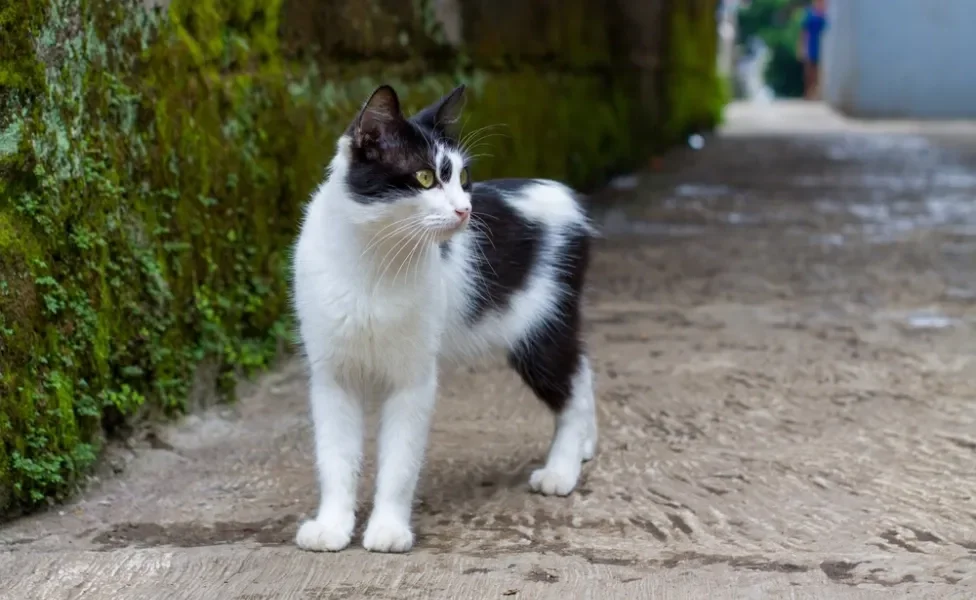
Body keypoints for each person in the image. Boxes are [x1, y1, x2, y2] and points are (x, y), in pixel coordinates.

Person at [798, 0, 827, 100]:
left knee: (819, 72)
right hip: (810, 46)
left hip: (822, 48)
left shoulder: (825, 15)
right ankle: (808, 93)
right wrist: (801, 47)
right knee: (809, 72)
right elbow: (803, 32)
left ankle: (817, 94)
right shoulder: (809, 14)